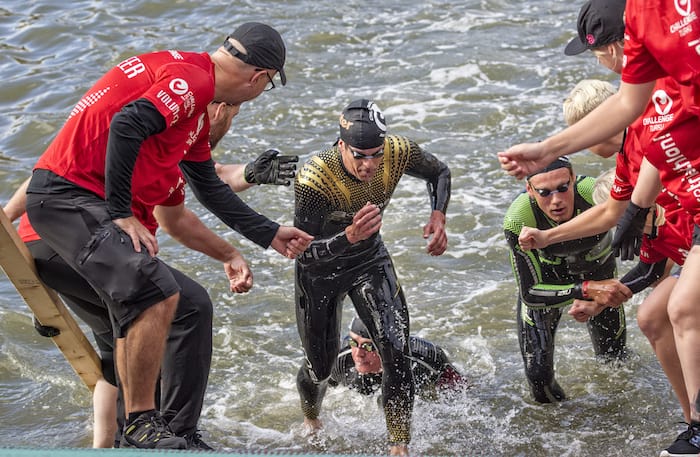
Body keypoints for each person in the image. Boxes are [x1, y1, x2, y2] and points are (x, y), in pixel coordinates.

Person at [21, 22, 312, 450]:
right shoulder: (193, 79)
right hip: (67, 200)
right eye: (265, 88)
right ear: (258, 77)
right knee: (155, 289)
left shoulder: (193, 112)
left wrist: (269, 234)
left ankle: (177, 435)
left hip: (83, 210)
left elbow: (208, 186)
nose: (254, 98)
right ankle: (141, 426)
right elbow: (126, 124)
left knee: (191, 305)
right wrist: (121, 213)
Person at [498, 1, 700, 453]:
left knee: (684, 307)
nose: (554, 199)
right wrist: (554, 237)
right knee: (652, 315)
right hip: (684, 232)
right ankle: (692, 423)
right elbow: (622, 210)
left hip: (690, 224)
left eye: (584, 132)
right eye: (543, 193)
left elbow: (621, 203)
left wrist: (632, 212)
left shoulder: (649, 105)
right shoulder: (639, 136)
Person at [293, 99, 451, 456]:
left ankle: (399, 446)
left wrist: (438, 214)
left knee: (395, 349)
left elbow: (439, 172)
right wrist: (347, 236)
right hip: (320, 272)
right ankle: (311, 418)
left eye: (375, 155)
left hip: (368, 260)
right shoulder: (315, 178)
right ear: (341, 146)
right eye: (359, 156)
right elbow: (302, 252)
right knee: (320, 367)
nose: (369, 165)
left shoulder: (397, 152)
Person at [502, 156, 632, 403]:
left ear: (573, 179)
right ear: (530, 190)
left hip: (598, 273)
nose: (557, 200)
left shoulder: (593, 191)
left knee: (615, 364)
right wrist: (584, 290)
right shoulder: (519, 219)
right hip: (549, 283)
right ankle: (562, 434)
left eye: (563, 187)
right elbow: (530, 294)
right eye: (544, 193)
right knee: (539, 382)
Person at [329, 317, 467, 401]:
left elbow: (462, 391)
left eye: (368, 346)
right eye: (354, 343)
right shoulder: (340, 360)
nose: (358, 354)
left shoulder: (424, 359)